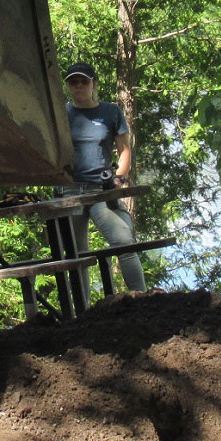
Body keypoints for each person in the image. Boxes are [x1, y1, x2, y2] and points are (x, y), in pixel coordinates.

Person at [60, 61, 146, 293]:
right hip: (69, 190)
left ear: (93, 84)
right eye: (73, 82)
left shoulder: (110, 112)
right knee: (77, 257)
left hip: (101, 190)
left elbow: (125, 149)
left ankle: (143, 298)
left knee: (123, 243)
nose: (78, 86)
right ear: (67, 85)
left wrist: (119, 179)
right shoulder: (60, 112)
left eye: (84, 81)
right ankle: (83, 316)